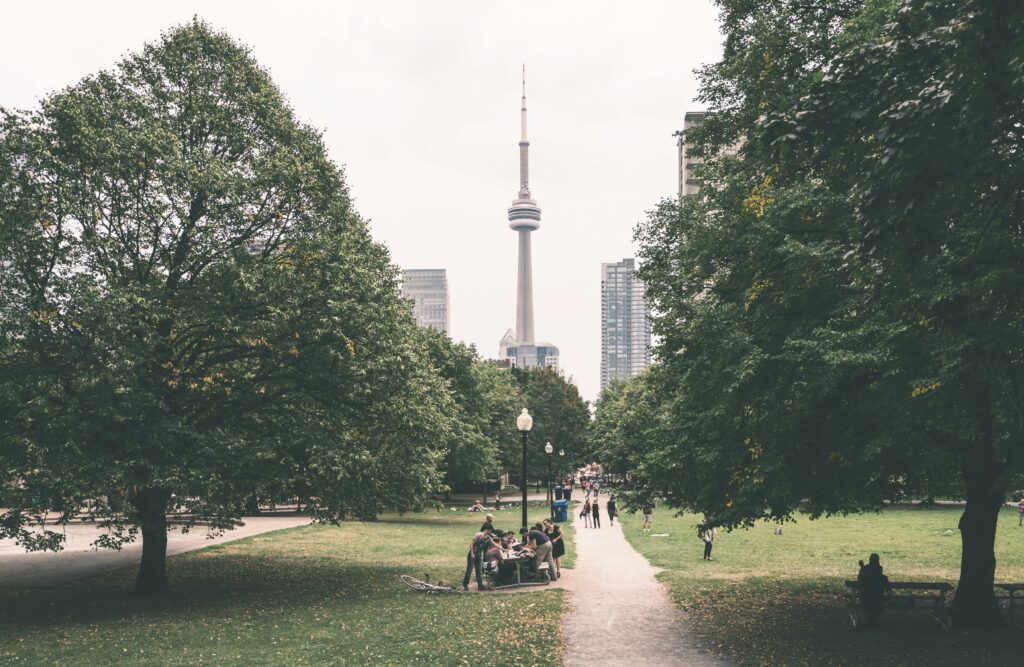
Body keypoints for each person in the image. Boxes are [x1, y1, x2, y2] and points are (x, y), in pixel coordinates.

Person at [857, 553, 891, 625]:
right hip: (878, 600)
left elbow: (860, 582)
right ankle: (874, 618)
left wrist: (862, 569)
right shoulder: (880, 574)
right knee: (876, 606)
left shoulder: (865, 570)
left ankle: (872, 618)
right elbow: (887, 586)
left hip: (866, 599)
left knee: (868, 605)